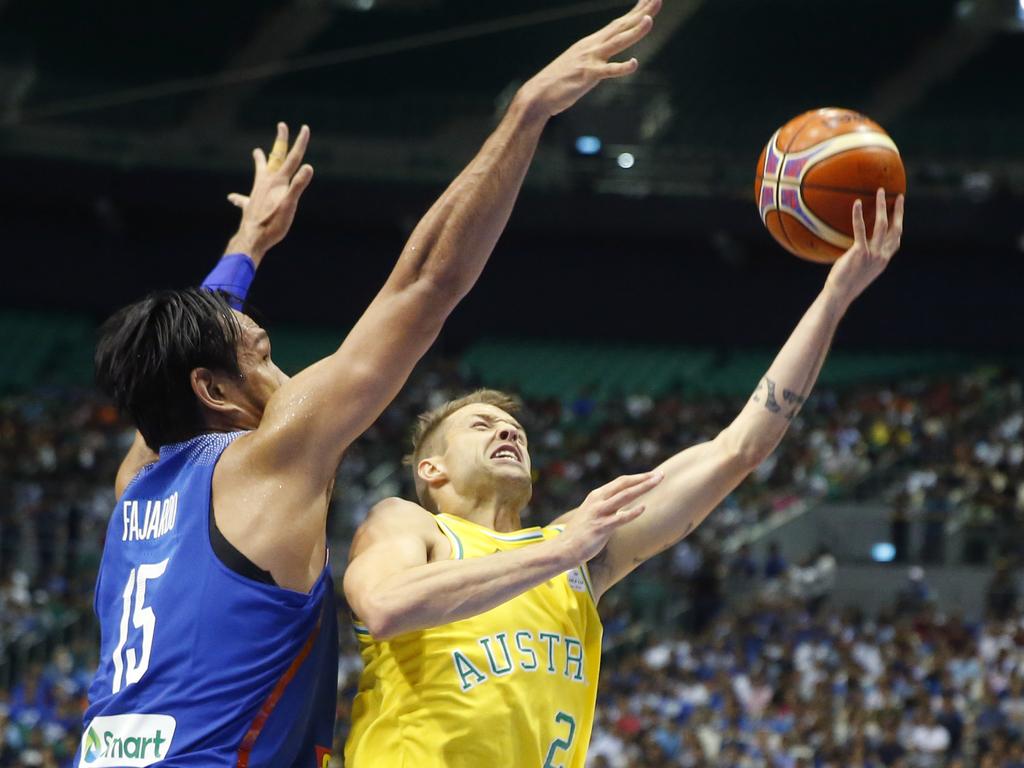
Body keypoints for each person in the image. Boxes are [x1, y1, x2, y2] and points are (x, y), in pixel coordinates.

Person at [77, 0, 660, 756]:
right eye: (261, 355)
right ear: (215, 392)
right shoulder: (267, 460)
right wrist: (525, 116)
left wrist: (244, 248)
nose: (282, 372)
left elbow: (168, 370)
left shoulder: (136, 485)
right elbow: (424, 285)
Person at [343, 189, 904, 766]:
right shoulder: (408, 523)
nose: (508, 434)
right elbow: (385, 606)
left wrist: (834, 299)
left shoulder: (576, 552)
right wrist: (560, 553)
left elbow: (740, 447)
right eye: (482, 425)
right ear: (430, 469)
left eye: (516, 430)